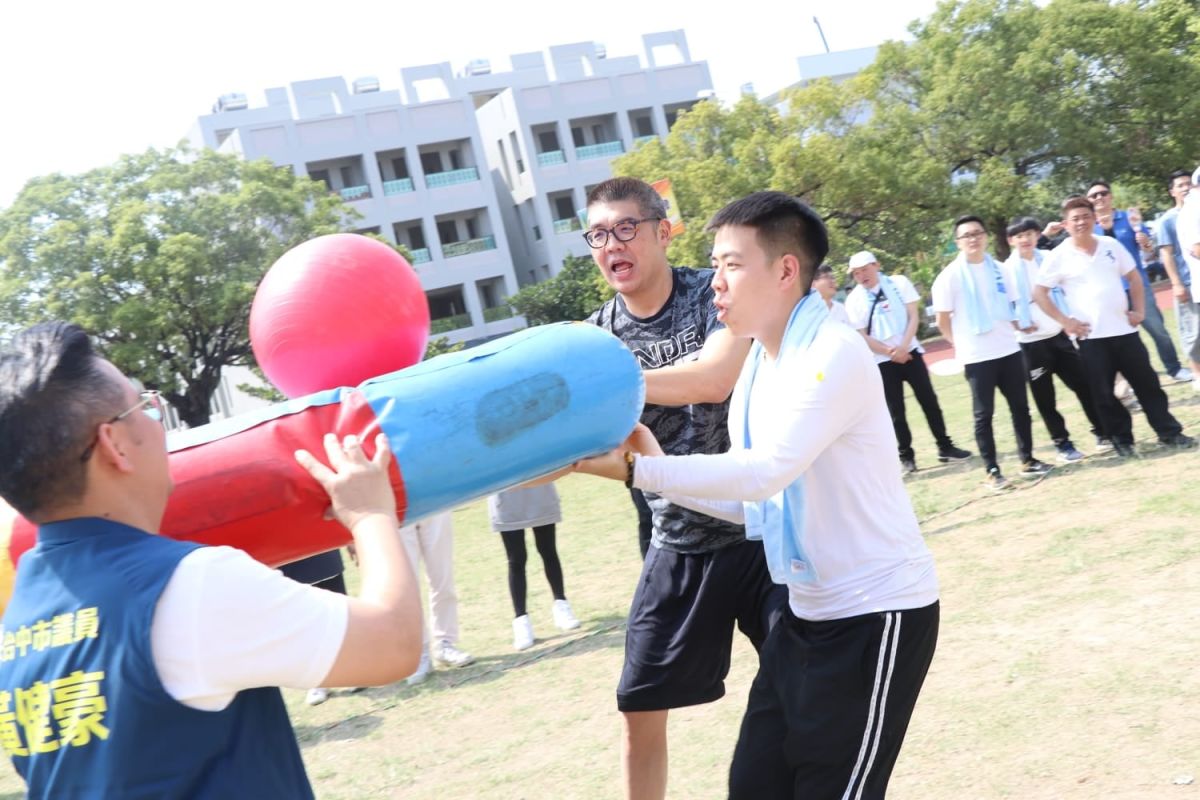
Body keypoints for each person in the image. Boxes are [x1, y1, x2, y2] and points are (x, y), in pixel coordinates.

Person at [577, 191, 939, 799]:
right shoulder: (766, 364)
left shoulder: (832, 350)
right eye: (715, 264)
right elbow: (754, 507)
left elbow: (763, 471)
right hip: (806, 617)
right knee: (753, 785)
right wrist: (649, 465)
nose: (713, 282)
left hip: (876, 618)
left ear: (785, 270)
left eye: (730, 265)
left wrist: (643, 472)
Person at [0, 322, 422, 798]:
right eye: (146, 407)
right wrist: (369, 514)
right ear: (114, 445)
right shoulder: (189, 584)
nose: (160, 424)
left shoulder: (16, 622)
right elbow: (395, 643)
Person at [583, 177, 786, 800]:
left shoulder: (717, 293)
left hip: (759, 527)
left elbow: (716, 378)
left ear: (662, 231)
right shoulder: (594, 339)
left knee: (799, 686)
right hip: (676, 537)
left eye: (626, 228)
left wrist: (615, 384)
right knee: (638, 707)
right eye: (597, 234)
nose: (611, 244)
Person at [1033, 196, 1195, 456]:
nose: (1081, 222)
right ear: (1065, 223)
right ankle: (1122, 441)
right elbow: (1040, 292)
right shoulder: (1059, 255)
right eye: (1075, 218)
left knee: (1148, 385)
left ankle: (1169, 432)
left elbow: (1134, 277)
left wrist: (1139, 311)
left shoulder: (1110, 245)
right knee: (1104, 394)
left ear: (1094, 218)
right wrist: (1066, 322)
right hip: (1090, 338)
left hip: (1125, 331)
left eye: (1086, 216)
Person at [931, 216, 1052, 490]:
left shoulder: (1000, 269)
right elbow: (942, 320)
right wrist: (958, 345)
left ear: (985, 236)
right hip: (976, 356)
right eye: (967, 236)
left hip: (1008, 349)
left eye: (977, 233)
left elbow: (1011, 305)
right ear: (958, 243)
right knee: (983, 415)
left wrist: (1017, 326)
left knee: (1021, 408)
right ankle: (992, 471)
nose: (973, 239)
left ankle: (1028, 460)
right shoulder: (948, 277)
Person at [844, 250, 971, 473]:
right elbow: (860, 334)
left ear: (876, 265)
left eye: (865, 269)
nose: (861, 276)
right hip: (882, 360)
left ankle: (945, 446)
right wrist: (888, 351)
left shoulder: (898, 283)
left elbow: (913, 315)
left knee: (929, 401)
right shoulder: (854, 299)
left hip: (910, 351)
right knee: (895, 411)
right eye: (856, 273)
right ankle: (906, 457)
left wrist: (903, 346)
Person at [1001, 217, 1104, 461]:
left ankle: (1102, 432)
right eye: (1019, 236)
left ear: (1038, 235)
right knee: (1046, 400)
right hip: (1031, 345)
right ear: (1011, 240)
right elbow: (1001, 303)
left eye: (1029, 234)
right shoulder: (1005, 270)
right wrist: (1017, 322)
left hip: (1059, 336)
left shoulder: (1047, 259)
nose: (1025, 239)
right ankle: (1063, 445)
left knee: (1084, 385)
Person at [1086, 180, 1191, 382]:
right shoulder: (1089, 226)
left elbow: (1149, 251)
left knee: (1158, 330)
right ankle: (1130, 380)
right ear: (1089, 201)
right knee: (1119, 338)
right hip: (1110, 292)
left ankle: (1174, 368)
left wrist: (1146, 243)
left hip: (1137, 286)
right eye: (1094, 196)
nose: (1099, 198)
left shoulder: (1129, 218)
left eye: (1103, 193)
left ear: (1111, 196)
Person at [489, 483, 580, 651]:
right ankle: (521, 619)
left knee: (548, 550)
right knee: (516, 559)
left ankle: (561, 604)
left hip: (539, 487)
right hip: (506, 494)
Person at [397, 510, 474, 685]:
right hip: (397, 508)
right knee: (408, 586)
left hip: (435, 504)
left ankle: (445, 643)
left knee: (443, 578)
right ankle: (420, 653)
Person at [279, 550, 352, 706]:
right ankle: (319, 681)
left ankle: (352, 672)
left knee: (339, 612)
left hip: (322, 550)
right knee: (303, 624)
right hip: (286, 558)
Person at [1155, 169, 1200, 391]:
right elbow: (1166, 253)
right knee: (1193, 331)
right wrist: (1176, 283)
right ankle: (1197, 374)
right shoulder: (1167, 220)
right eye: (1180, 185)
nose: (1185, 188)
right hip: (1187, 282)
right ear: (1172, 191)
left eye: (1188, 184)